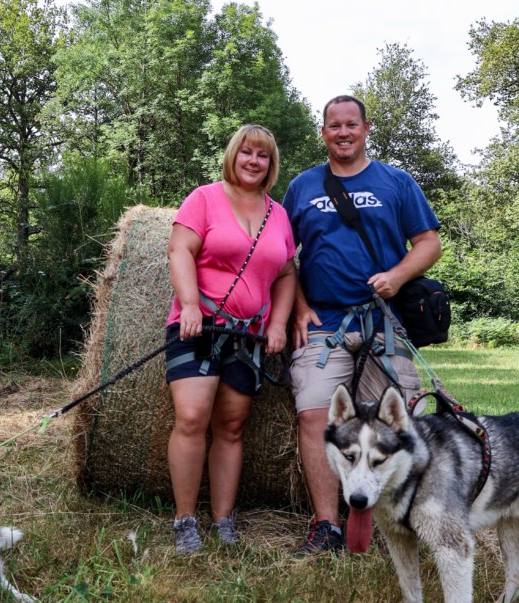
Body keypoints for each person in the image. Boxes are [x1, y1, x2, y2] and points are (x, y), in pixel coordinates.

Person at [282, 95, 442, 555]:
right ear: (324, 132)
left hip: (385, 322)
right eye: (334, 126)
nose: (343, 132)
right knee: (315, 413)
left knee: (405, 417)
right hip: (324, 323)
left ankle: (402, 514)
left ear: (366, 128)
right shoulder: (303, 186)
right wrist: (297, 306)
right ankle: (327, 526)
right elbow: (283, 255)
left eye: (351, 124)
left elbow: (429, 243)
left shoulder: (396, 181)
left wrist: (397, 276)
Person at [165, 124, 296, 555]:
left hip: (248, 337)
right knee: (191, 417)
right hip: (197, 327)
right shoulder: (203, 198)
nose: (254, 160)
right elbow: (179, 250)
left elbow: (286, 273)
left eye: (262, 155)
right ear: (233, 156)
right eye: (247, 152)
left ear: (270, 164)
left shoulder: (278, 215)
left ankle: (224, 520)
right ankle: (185, 521)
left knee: (233, 426)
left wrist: (277, 324)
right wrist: (187, 305)